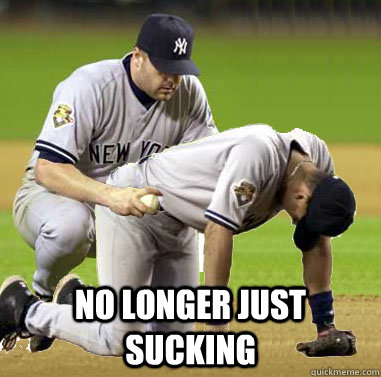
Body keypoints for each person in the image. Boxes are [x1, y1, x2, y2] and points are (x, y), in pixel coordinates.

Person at [1, 124, 356, 357]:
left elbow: (316, 241)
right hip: (137, 206)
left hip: (182, 225)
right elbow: (219, 231)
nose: (297, 222)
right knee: (123, 340)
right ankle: (24, 310)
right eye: (300, 217)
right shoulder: (259, 154)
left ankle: (83, 304)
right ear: (301, 199)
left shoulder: (317, 163)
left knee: (173, 334)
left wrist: (325, 325)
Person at [12, 14, 217, 352]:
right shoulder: (89, 86)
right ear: (138, 56)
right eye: (164, 68)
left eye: (179, 70)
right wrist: (110, 195)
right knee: (70, 228)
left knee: (168, 335)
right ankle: (38, 295)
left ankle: (79, 305)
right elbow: (48, 169)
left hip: (127, 211)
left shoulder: (189, 94)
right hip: (54, 196)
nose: (173, 79)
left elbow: (203, 163)